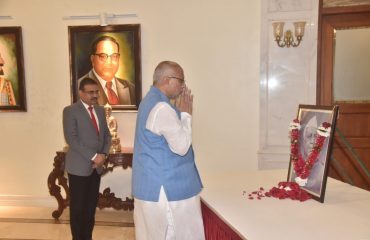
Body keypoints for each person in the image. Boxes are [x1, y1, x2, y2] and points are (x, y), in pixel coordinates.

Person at [132, 61, 205, 240]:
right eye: (180, 80)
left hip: (154, 185)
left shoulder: (149, 101)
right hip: (168, 190)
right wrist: (187, 115)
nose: (183, 86)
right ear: (166, 80)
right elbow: (181, 147)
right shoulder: (161, 108)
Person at [63, 77, 112, 240]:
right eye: (91, 92)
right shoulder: (70, 111)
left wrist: (103, 154)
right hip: (78, 168)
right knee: (78, 209)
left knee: (90, 208)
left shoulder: (99, 110)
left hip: (96, 168)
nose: (95, 95)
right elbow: (72, 139)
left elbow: (106, 135)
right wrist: (94, 156)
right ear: (81, 93)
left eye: (96, 91)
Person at [78, 36, 136, 106]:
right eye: (102, 56)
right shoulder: (79, 87)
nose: (109, 62)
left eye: (114, 56)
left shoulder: (131, 88)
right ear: (93, 59)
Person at [296, 111, 331, 194]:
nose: (312, 141)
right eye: (309, 136)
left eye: (316, 136)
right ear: (304, 139)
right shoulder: (298, 161)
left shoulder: (320, 166)